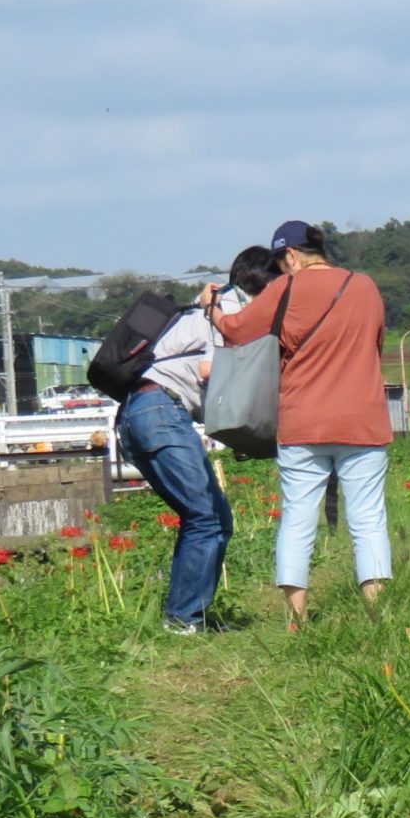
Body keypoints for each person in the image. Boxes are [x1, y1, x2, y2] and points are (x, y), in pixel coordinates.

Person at [198, 221, 392, 629]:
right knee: (369, 519)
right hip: (364, 420)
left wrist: (211, 307)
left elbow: (236, 332)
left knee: (298, 517)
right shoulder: (366, 286)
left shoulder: (286, 289)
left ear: (290, 256)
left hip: (303, 422)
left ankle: (296, 619)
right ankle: (378, 614)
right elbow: (376, 346)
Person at [121, 245, 272, 631]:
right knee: (206, 518)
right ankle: (183, 620)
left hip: (141, 411)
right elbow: (209, 368)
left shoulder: (207, 305)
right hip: (160, 411)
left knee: (211, 517)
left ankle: (190, 615)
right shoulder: (232, 310)